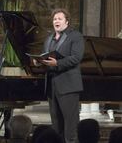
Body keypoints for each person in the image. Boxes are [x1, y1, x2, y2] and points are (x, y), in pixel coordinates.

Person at [32, 8, 85, 143]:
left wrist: (57, 63)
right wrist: (39, 62)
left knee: (70, 124)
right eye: (55, 19)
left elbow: (76, 57)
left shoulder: (75, 36)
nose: (56, 21)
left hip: (68, 85)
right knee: (56, 124)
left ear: (66, 21)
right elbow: (46, 57)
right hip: (52, 85)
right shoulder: (49, 38)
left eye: (59, 19)